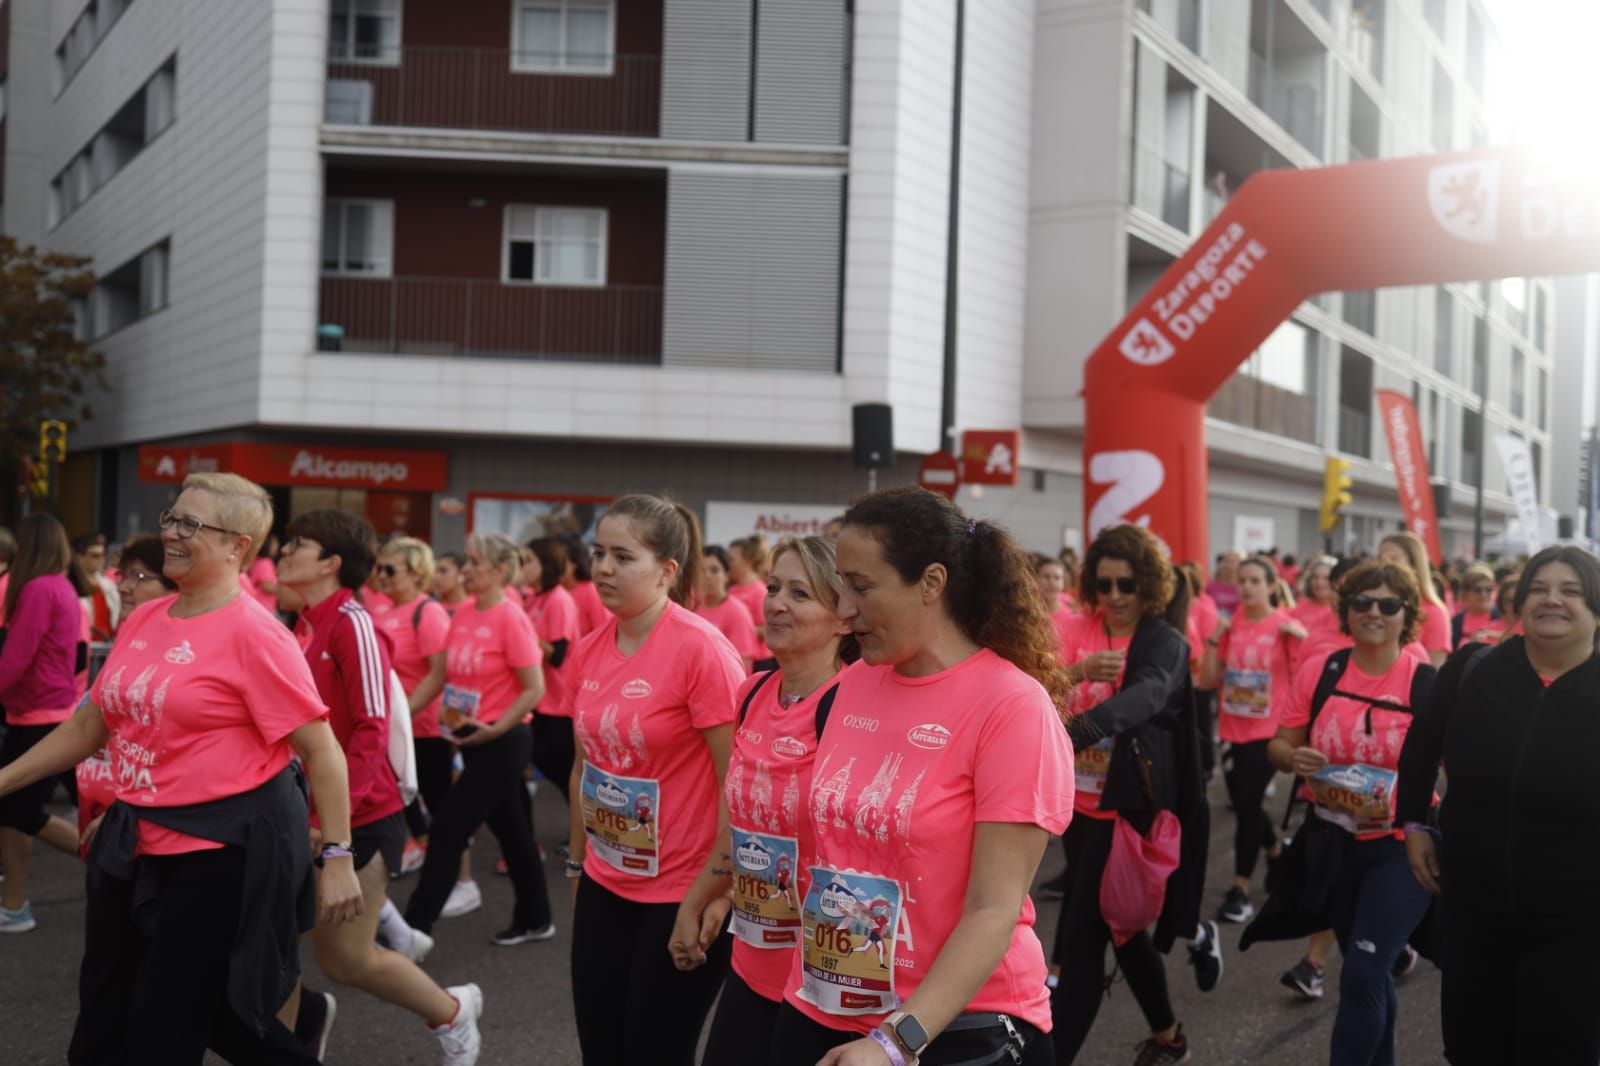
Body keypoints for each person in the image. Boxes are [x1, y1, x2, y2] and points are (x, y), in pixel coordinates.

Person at [0, 473, 363, 1064]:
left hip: (217, 856)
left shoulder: (256, 635)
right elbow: (90, 726)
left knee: (165, 1030)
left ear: (237, 546)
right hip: (132, 842)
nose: (170, 532)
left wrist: (340, 857)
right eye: (173, 517)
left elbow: (322, 750)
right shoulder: (146, 617)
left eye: (192, 524)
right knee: (104, 1018)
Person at [761, 488, 1072, 1066]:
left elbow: (993, 909)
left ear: (930, 583)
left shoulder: (1011, 706)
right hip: (823, 1002)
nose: (844, 609)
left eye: (861, 586)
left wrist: (894, 1042)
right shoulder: (853, 683)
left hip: (955, 1027)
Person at [275, 510, 482, 1063]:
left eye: (298, 544)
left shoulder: (352, 622)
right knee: (275, 948)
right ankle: (298, 1035)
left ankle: (453, 1011)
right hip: (301, 815)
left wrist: (330, 820)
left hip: (359, 818)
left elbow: (371, 725)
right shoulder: (303, 623)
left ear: (331, 563)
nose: (283, 551)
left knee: (347, 960)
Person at [1397, 545, 1600, 1065]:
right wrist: (1414, 822)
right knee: (1472, 1049)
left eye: (1571, 591)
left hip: (1576, 926)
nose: (1552, 600)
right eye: (1539, 588)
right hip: (1474, 912)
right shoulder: (1474, 667)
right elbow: (1421, 745)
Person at [563, 494, 745, 1066]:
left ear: (667, 570)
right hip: (605, 879)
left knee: (653, 1052)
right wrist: (576, 864)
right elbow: (582, 768)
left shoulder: (702, 650)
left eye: (623, 556)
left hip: (681, 890)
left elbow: (737, 786)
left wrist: (718, 892)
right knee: (602, 1049)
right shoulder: (590, 650)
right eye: (598, 554)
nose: (604, 569)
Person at [676, 536, 855, 1066]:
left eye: (800, 594)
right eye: (774, 587)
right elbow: (739, 824)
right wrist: (707, 898)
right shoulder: (751, 692)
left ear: (844, 618)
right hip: (752, 956)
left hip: (823, 979)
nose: (776, 602)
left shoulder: (851, 708)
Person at [1258, 560, 1436, 1065]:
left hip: (1400, 849)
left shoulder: (1425, 682)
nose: (1373, 612)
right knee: (1371, 975)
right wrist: (1292, 758)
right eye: (1362, 602)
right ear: (1346, 610)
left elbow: (1457, 765)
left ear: (1407, 613)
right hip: (1332, 844)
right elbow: (1280, 743)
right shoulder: (1323, 670)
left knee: (1360, 972)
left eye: (1387, 604)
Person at [1052, 524, 1213, 1065]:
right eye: (1104, 584)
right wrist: (1075, 671)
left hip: (1125, 813)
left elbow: (1148, 695)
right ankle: (1169, 1035)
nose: (1115, 597)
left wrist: (1081, 729)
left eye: (1127, 584)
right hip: (1072, 807)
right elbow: (1029, 684)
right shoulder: (1073, 627)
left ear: (1148, 585)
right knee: (1122, 930)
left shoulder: (1164, 641)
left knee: (1080, 946)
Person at [404, 532, 555, 946]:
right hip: (470, 737)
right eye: (466, 561)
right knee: (514, 834)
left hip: (503, 741)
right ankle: (536, 917)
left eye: (473, 562)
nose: (465, 569)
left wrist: (498, 726)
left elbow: (534, 687)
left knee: (450, 828)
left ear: (500, 572)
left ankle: (414, 929)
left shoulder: (511, 618)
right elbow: (439, 675)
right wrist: (400, 714)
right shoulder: (465, 611)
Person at [1201, 554, 1307, 923]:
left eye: (1254, 581)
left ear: (1271, 586)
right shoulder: (1230, 626)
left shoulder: (1284, 627)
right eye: (1241, 581)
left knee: (1247, 805)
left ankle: (1240, 888)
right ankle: (1276, 848)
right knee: (1245, 802)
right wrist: (1214, 639)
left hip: (1269, 732)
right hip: (1232, 729)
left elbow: (1302, 683)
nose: (1246, 587)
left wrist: (1302, 640)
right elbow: (1208, 680)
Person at [0, 514, 90, 931]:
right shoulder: (62, 586)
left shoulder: (38, 588)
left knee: (18, 809)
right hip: (50, 711)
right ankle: (13, 903)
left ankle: (121, 867)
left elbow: (16, 658)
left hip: (39, 714)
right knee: (15, 811)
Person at [373, 536, 451, 874]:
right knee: (396, 790)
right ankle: (422, 843)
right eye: (378, 568)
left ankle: (457, 877)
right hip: (395, 725)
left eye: (390, 569)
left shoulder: (427, 611)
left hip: (425, 728)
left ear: (416, 572)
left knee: (442, 806)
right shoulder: (388, 610)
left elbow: (439, 672)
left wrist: (403, 712)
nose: (381, 575)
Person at [524, 537, 582, 801]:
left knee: (561, 766)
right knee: (544, 760)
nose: (522, 567)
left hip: (558, 699)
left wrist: (523, 635)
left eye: (528, 561)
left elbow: (558, 654)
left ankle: (583, 825)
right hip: (540, 698)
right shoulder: (536, 598)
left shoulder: (559, 599)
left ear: (545, 565)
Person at [1377, 533, 1448, 666]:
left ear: (1415, 563)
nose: (1385, 564)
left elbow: (1435, 669)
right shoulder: (1373, 606)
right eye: (1380, 558)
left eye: (1394, 558)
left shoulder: (1434, 611)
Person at [698, 544, 761, 671]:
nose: (707, 576)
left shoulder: (737, 611)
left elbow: (744, 663)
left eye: (714, 570)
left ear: (726, 575)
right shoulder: (692, 606)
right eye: (702, 571)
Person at [728, 534, 775, 666]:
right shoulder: (731, 590)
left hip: (759, 661)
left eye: (731, 559)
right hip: (735, 656)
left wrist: (740, 629)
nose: (727, 564)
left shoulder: (760, 591)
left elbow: (769, 627)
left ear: (747, 560)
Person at [556, 532, 609, 635]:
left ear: (574, 563)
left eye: (559, 561)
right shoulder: (551, 591)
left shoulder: (590, 592)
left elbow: (604, 632)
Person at [1206, 550, 1242, 619]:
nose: (1229, 565)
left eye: (1233, 562)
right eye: (1227, 561)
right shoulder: (1211, 585)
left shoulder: (1243, 587)